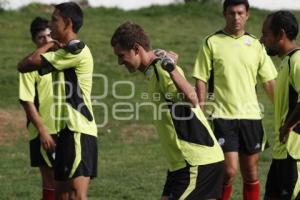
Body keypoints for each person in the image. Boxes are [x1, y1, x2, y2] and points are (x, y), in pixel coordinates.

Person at [111, 21, 224, 200]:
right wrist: (163, 55)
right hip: (179, 165)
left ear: (136, 48)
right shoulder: (153, 69)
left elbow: (192, 99)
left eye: (121, 55)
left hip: (197, 162)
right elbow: (158, 54)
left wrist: (170, 67)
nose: (119, 62)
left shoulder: (162, 70)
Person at [192, 0, 278, 199]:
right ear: (225, 14)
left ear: (247, 15)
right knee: (229, 171)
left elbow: (269, 82)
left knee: (251, 173)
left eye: (240, 13)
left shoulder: (256, 44)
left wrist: (285, 112)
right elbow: (201, 79)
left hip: (251, 117)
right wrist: (201, 113)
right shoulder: (211, 42)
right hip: (222, 116)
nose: (236, 17)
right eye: (232, 13)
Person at [17, 2, 98, 199]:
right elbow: (24, 67)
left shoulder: (76, 50)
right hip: (65, 132)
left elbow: (27, 64)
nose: (51, 25)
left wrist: (48, 43)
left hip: (78, 130)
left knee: (77, 196)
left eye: (54, 20)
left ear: (68, 23)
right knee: (61, 195)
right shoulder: (62, 54)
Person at [261, 10, 300, 200]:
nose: (262, 39)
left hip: (295, 152)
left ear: (281, 34)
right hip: (282, 153)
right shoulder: (286, 62)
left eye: (266, 34)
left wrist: (287, 126)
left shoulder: (298, 61)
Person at [19, 16, 56, 200]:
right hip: (43, 132)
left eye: (50, 35)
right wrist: (42, 131)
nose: (47, 41)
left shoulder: (60, 61)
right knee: (50, 182)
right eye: (42, 37)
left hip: (63, 128)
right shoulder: (30, 66)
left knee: (65, 182)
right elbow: (27, 101)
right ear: (35, 40)